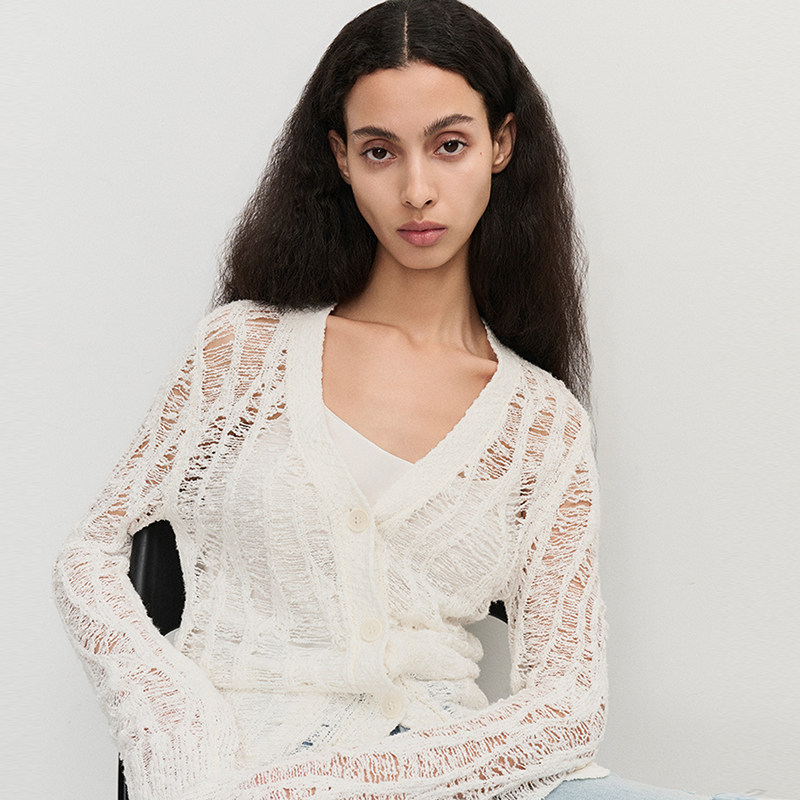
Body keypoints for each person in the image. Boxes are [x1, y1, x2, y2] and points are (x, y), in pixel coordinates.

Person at [52, 2, 759, 799]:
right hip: (239, 762)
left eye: (449, 145)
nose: (417, 190)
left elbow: (567, 706)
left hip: (451, 773)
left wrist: (337, 784)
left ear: (502, 144)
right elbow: (89, 557)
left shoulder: (543, 424)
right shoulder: (243, 351)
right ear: (341, 158)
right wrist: (173, 722)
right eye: (380, 151)